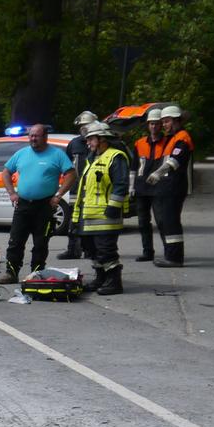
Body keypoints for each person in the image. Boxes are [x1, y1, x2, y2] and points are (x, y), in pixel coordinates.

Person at [0, 124, 75, 284]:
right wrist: (12, 193)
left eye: (36, 136)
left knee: (41, 243)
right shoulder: (21, 154)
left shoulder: (56, 155)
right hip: (23, 205)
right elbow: (5, 172)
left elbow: (71, 174)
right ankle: (11, 273)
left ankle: (36, 274)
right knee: (16, 241)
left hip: (44, 206)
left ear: (45, 137)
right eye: (31, 135)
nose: (33, 138)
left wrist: (58, 195)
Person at [73, 122, 130, 295]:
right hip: (89, 216)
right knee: (92, 250)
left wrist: (113, 207)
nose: (88, 142)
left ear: (102, 139)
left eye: (91, 139)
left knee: (106, 250)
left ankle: (114, 282)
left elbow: (121, 184)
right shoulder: (92, 158)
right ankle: (101, 278)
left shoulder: (116, 157)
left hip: (106, 216)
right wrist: (76, 218)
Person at [146, 104, 192, 267]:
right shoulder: (174, 138)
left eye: (166, 121)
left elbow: (174, 161)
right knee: (167, 221)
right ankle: (171, 255)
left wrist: (157, 174)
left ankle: (174, 258)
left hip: (175, 186)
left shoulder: (182, 138)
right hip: (169, 186)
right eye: (163, 122)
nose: (163, 125)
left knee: (171, 221)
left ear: (176, 120)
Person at [57, 110, 98, 260]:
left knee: (91, 220)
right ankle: (73, 250)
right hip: (76, 188)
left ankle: (90, 250)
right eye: (82, 126)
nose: (84, 129)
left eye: (87, 125)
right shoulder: (74, 144)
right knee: (74, 219)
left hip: (93, 189)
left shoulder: (97, 142)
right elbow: (67, 165)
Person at [131, 107, 166, 261]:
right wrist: (131, 187)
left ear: (161, 125)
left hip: (159, 188)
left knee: (162, 221)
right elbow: (133, 167)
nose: (154, 126)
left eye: (157, 123)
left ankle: (168, 251)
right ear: (148, 125)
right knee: (143, 222)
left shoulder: (168, 142)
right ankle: (148, 252)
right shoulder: (139, 143)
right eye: (151, 123)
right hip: (141, 188)